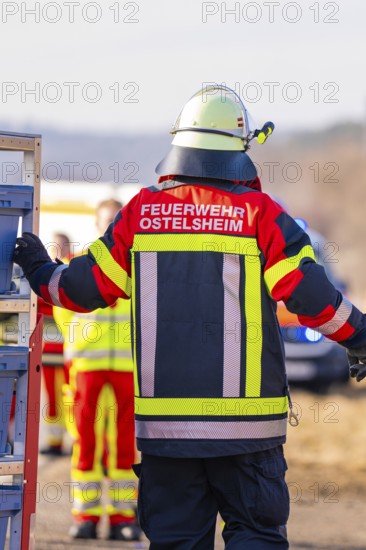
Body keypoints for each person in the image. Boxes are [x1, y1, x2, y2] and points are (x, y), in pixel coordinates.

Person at [13, 85, 366, 549]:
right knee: (256, 536)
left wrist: (41, 270)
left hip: (167, 435)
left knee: (177, 540)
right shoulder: (260, 215)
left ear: (179, 146)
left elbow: (84, 288)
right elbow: (307, 294)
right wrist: (358, 336)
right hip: (248, 435)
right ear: (239, 151)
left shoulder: (141, 213)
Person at [53, 200, 141, 541]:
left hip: (126, 368)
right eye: (107, 221)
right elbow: (62, 308)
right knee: (86, 444)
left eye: (116, 221)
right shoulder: (80, 265)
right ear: (96, 223)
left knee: (124, 447)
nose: (111, 227)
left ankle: (122, 518)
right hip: (88, 366)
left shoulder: (138, 267)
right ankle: (85, 516)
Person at [39, 233, 71, 455]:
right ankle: (55, 441)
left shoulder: (72, 272)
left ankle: (75, 440)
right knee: (52, 399)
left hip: (71, 351)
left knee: (71, 398)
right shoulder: (47, 273)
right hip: (49, 350)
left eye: (59, 245)